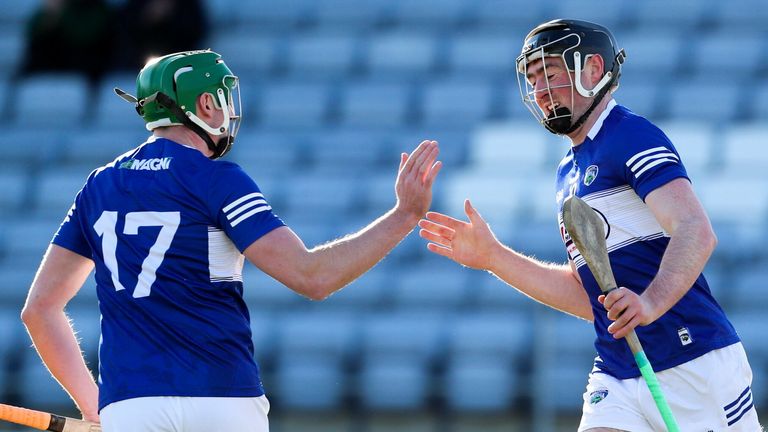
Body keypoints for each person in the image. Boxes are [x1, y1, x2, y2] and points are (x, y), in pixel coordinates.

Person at [21, 50, 441, 432]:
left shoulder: (98, 186)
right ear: (204, 104)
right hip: (222, 398)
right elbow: (313, 277)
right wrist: (404, 215)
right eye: (221, 96)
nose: (227, 108)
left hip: (132, 404)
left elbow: (39, 310)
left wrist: (96, 408)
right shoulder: (217, 179)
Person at [419, 19, 761, 431]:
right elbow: (591, 297)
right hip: (617, 368)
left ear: (593, 70)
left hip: (693, 361)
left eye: (550, 73)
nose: (541, 91)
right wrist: (494, 257)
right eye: (533, 79)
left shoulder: (632, 136)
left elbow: (696, 230)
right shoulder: (567, 172)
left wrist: (649, 303)